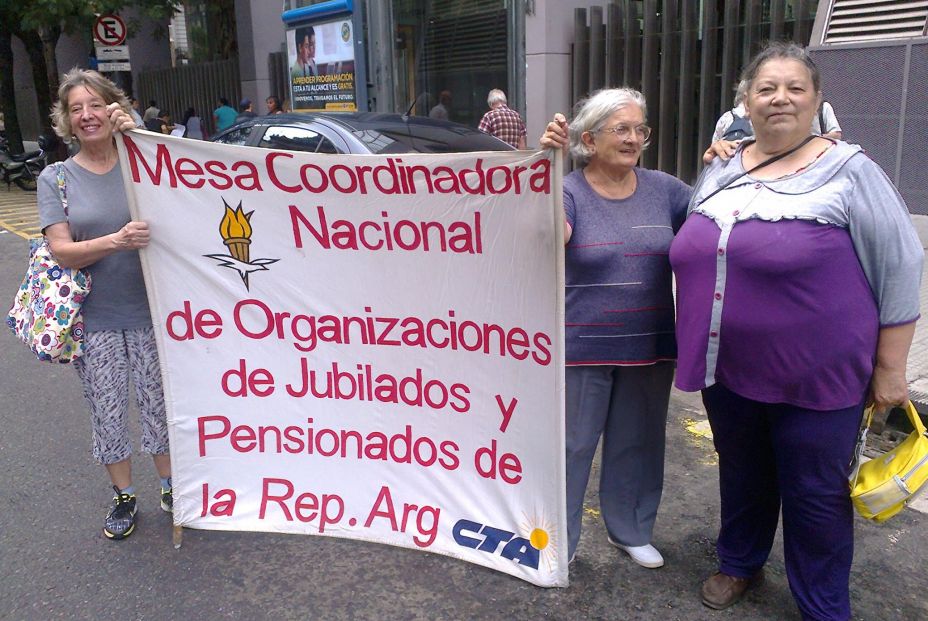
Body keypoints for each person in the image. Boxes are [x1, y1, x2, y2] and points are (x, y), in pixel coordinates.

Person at [670, 42, 923, 620]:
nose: (779, 98)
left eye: (795, 88)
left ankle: (823, 604)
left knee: (815, 497)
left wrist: (891, 370)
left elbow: (903, 265)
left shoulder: (851, 171)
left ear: (816, 102)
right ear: (746, 103)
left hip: (817, 376)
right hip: (727, 368)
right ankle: (739, 562)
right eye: (766, 89)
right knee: (742, 474)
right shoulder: (722, 168)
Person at [539, 88, 692, 568]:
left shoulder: (666, 189)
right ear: (589, 138)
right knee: (571, 447)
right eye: (621, 129)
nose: (633, 138)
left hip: (649, 345)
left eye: (639, 129)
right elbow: (550, 235)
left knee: (638, 443)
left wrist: (727, 162)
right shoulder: (567, 190)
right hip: (581, 346)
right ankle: (555, 543)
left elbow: (715, 221)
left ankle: (630, 529)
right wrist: (545, 168)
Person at [37, 68, 172, 541]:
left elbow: (185, 202)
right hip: (95, 320)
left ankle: (171, 486)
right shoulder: (56, 179)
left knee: (161, 405)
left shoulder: (145, 162)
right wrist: (115, 241)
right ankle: (124, 496)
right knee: (109, 409)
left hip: (156, 312)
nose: (88, 115)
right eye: (77, 109)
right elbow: (61, 250)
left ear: (114, 108)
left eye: (96, 105)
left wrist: (141, 138)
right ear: (66, 121)